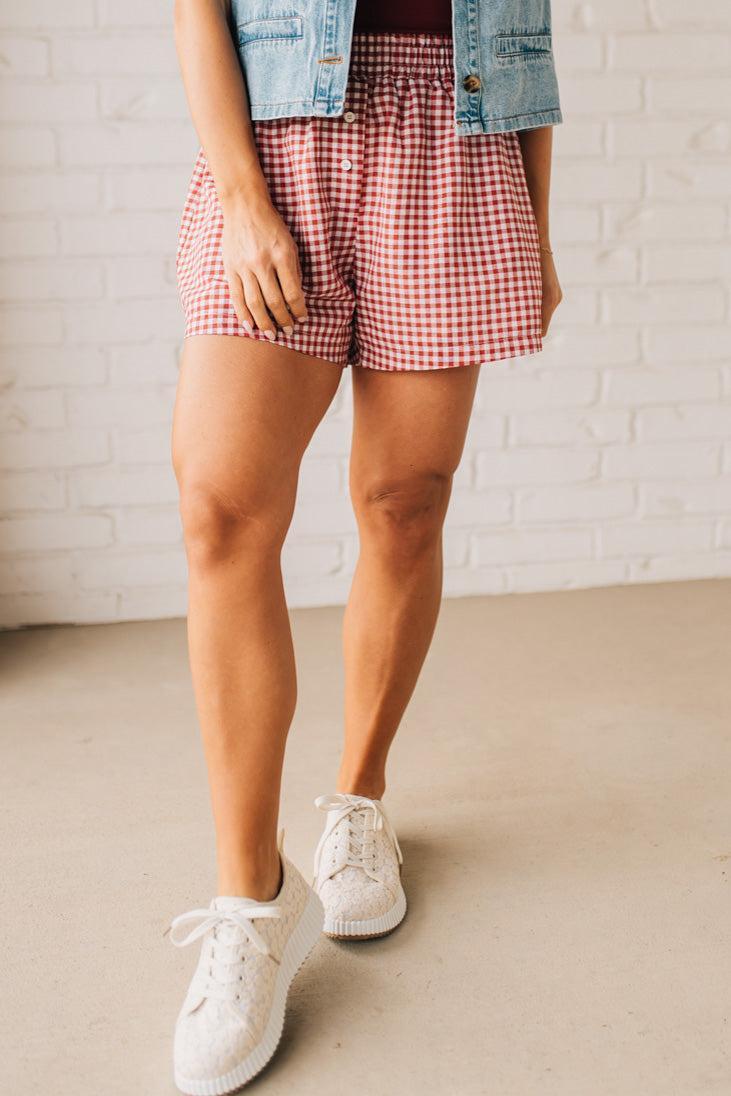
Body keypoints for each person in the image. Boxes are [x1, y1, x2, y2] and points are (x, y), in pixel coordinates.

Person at [168, 0, 563, 1091]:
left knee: (404, 501)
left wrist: (531, 216)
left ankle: (358, 802)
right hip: (281, 137)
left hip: (457, 138)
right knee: (221, 508)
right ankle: (252, 899)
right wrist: (242, 195)